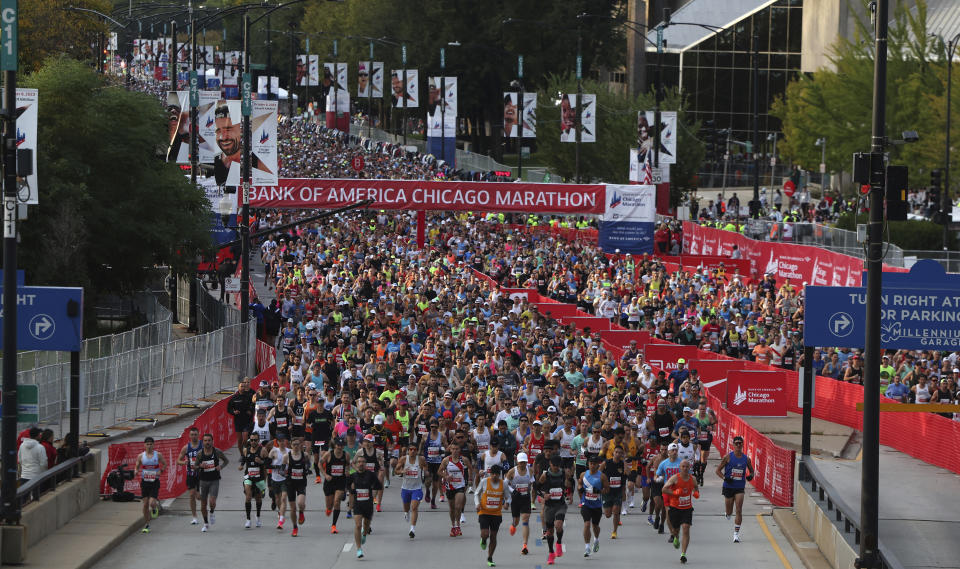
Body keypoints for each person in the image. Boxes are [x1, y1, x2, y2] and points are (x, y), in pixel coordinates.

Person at [716, 435, 755, 542]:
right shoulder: (728, 457)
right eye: (736, 443)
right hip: (728, 487)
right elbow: (718, 471)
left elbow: (752, 471)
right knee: (729, 512)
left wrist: (751, 476)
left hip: (739, 487)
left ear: (742, 445)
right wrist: (725, 478)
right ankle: (727, 513)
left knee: (738, 510)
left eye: (740, 443)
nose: (738, 445)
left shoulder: (746, 459)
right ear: (733, 445)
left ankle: (736, 534)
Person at [663, 459, 699, 563]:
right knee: (675, 530)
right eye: (683, 466)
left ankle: (683, 554)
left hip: (687, 508)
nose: (685, 468)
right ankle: (675, 536)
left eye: (687, 466)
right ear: (680, 467)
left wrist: (696, 493)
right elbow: (664, 489)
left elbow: (696, 488)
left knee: (686, 528)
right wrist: (674, 492)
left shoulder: (693, 479)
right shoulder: (675, 478)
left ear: (689, 468)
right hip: (675, 508)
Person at [348, 453, 382, 558]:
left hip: (368, 505)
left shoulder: (371, 475)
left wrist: (373, 495)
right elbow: (348, 489)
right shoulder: (352, 476)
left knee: (366, 526)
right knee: (358, 525)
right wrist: (350, 504)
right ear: (356, 464)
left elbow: (378, 486)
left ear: (365, 464)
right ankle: (359, 549)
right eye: (359, 462)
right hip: (358, 505)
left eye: (363, 462)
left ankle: (364, 534)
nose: (361, 464)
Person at [194, 433, 229, 533]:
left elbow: (226, 461)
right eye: (205, 441)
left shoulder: (217, 452)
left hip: (214, 480)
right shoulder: (200, 453)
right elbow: (195, 467)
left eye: (209, 440)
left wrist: (220, 467)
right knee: (203, 504)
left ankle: (212, 512)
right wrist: (201, 466)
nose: (207, 442)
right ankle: (205, 523)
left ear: (212, 441)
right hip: (203, 481)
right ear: (203, 442)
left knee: (212, 502)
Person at [538, 454, 569, 565]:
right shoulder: (545, 475)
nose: (556, 467)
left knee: (559, 525)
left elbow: (568, 485)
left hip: (560, 505)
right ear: (550, 464)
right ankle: (551, 553)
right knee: (550, 532)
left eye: (557, 465)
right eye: (554, 465)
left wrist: (567, 489)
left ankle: (559, 543)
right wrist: (543, 495)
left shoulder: (563, 473)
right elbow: (536, 487)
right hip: (549, 506)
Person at [475, 464, 507, 567]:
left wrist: (507, 503)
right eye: (492, 474)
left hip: (496, 514)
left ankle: (490, 558)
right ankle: (483, 540)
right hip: (484, 512)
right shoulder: (484, 481)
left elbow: (508, 496)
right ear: (490, 474)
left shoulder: (503, 484)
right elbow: (476, 493)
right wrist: (477, 504)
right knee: (485, 533)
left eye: (496, 474)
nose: (494, 476)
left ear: (499, 475)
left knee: (493, 536)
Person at [134, 436, 166, 534]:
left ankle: (155, 508)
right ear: (144, 445)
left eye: (151, 444)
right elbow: (137, 466)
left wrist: (161, 470)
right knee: (145, 504)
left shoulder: (158, 455)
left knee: (152, 502)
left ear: (153, 445)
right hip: (145, 482)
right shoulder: (141, 456)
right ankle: (147, 524)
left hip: (154, 482)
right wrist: (136, 471)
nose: (149, 446)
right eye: (147, 444)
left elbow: (164, 464)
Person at [440, 441, 472, 537]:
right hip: (450, 486)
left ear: (459, 450)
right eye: (453, 449)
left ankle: (458, 526)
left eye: (456, 449)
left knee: (458, 507)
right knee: (452, 508)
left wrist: (470, 479)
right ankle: (453, 526)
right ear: (450, 450)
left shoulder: (464, 460)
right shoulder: (446, 460)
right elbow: (439, 471)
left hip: (460, 486)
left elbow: (470, 468)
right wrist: (445, 476)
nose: (455, 451)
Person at [395, 443, 427, 538]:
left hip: (417, 488)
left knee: (414, 507)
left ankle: (412, 529)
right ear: (408, 451)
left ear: (417, 451)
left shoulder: (421, 459)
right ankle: (406, 513)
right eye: (411, 449)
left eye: (415, 449)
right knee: (406, 507)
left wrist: (424, 472)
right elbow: (396, 471)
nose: (413, 451)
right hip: (405, 488)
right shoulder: (404, 459)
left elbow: (425, 466)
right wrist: (402, 471)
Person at [505, 452, 533, 555]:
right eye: (521, 462)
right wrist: (513, 491)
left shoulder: (530, 471)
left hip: (525, 498)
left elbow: (532, 482)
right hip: (515, 499)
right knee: (516, 521)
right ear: (518, 462)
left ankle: (525, 545)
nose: (522, 464)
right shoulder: (512, 471)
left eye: (524, 462)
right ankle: (513, 525)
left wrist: (533, 490)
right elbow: (505, 484)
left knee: (525, 519)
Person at [580, 454, 607, 557]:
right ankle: (587, 547)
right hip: (586, 504)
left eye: (594, 464)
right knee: (587, 524)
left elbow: (607, 489)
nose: (592, 465)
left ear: (597, 465)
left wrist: (599, 491)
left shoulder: (602, 476)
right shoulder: (583, 475)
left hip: (596, 505)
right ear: (588, 464)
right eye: (591, 463)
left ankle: (596, 540)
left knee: (595, 526)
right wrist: (580, 489)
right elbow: (579, 484)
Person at [321, 437, 350, 534]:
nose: (340, 447)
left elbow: (347, 466)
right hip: (329, 482)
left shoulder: (346, 455)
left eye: (341, 446)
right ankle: (329, 509)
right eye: (338, 445)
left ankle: (334, 525)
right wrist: (325, 475)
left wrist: (347, 473)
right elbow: (319, 464)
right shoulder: (329, 454)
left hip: (340, 482)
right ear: (335, 445)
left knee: (337, 502)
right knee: (329, 506)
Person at [655, 443, 683, 538]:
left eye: (676, 450)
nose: (675, 452)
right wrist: (657, 479)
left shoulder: (682, 463)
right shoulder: (663, 463)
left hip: (679, 490)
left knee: (678, 514)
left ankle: (675, 531)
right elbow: (657, 474)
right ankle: (672, 534)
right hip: (667, 490)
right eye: (672, 450)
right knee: (669, 513)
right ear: (668, 452)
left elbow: (688, 475)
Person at [239, 433, 268, 528]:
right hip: (248, 477)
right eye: (251, 440)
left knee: (258, 498)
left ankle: (258, 517)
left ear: (258, 441)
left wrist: (261, 462)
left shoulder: (262, 450)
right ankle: (248, 519)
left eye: (255, 440)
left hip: (259, 478)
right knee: (248, 496)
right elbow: (244, 459)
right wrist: (242, 465)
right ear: (249, 441)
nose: (253, 442)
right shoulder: (245, 450)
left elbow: (268, 463)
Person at [176, 427, 203, 525]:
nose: (194, 436)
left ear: (198, 435)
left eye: (195, 434)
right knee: (192, 495)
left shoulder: (202, 445)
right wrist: (184, 462)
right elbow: (178, 460)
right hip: (191, 474)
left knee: (199, 497)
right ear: (189, 436)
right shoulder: (186, 448)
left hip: (202, 474)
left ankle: (206, 512)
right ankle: (194, 517)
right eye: (192, 434)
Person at [284, 437, 309, 537]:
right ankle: (295, 527)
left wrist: (307, 469)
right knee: (293, 508)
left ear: (300, 445)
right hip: (290, 483)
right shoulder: (287, 456)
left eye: (297, 444)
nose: (296, 446)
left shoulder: (305, 455)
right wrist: (283, 472)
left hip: (301, 483)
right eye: (294, 444)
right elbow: (282, 469)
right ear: (291, 445)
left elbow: (308, 464)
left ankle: (301, 512)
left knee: (300, 503)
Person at [601, 444, 625, 538]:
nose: (618, 454)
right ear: (613, 453)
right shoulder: (606, 463)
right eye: (616, 452)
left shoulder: (622, 464)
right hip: (607, 491)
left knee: (615, 511)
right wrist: (601, 486)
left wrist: (623, 492)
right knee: (607, 514)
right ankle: (614, 513)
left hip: (618, 491)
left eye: (620, 453)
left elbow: (625, 477)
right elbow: (599, 473)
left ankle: (614, 532)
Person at [268, 434, 291, 529]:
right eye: (280, 441)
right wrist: (277, 467)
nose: (282, 442)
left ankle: (281, 520)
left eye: (283, 440)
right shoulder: (274, 451)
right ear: (277, 442)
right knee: (277, 499)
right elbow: (267, 465)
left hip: (285, 479)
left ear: (285, 441)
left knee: (284, 498)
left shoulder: (289, 452)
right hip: (275, 478)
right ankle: (280, 511)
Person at [227, 378, 255, 454]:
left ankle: (246, 450)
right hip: (238, 421)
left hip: (247, 420)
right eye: (241, 386)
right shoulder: (234, 398)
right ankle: (242, 454)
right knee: (239, 440)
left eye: (244, 386)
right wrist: (233, 412)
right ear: (238, 388)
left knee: (245, 438)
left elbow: (253, 405)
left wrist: (250, 410)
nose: (243, 387)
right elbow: (229, 409)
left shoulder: (249, 396)